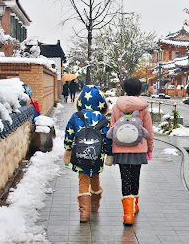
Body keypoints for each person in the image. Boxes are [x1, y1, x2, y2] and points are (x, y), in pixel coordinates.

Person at [108, 77, 154, 225]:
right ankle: (134, 205)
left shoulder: (117, 106)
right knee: (135, 177)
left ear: (125, 89)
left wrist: (110, 150)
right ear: (139, 90)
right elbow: (149, 130)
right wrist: (150, 148)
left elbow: (112, 128)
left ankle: (128, 215)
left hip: (121, 150)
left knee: (125, 178)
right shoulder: (143, 107)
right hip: (138, 149)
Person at [63, 85, 112, 222]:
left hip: (80, 155)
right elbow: (107, 138)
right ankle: (95, 205)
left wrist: (67, 150)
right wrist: (109, 154)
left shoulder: (76, 116)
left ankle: (84, 213)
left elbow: (69, 134)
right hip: (96, 156)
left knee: (83, 180)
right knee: (95, 177)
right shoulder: (103, 119)